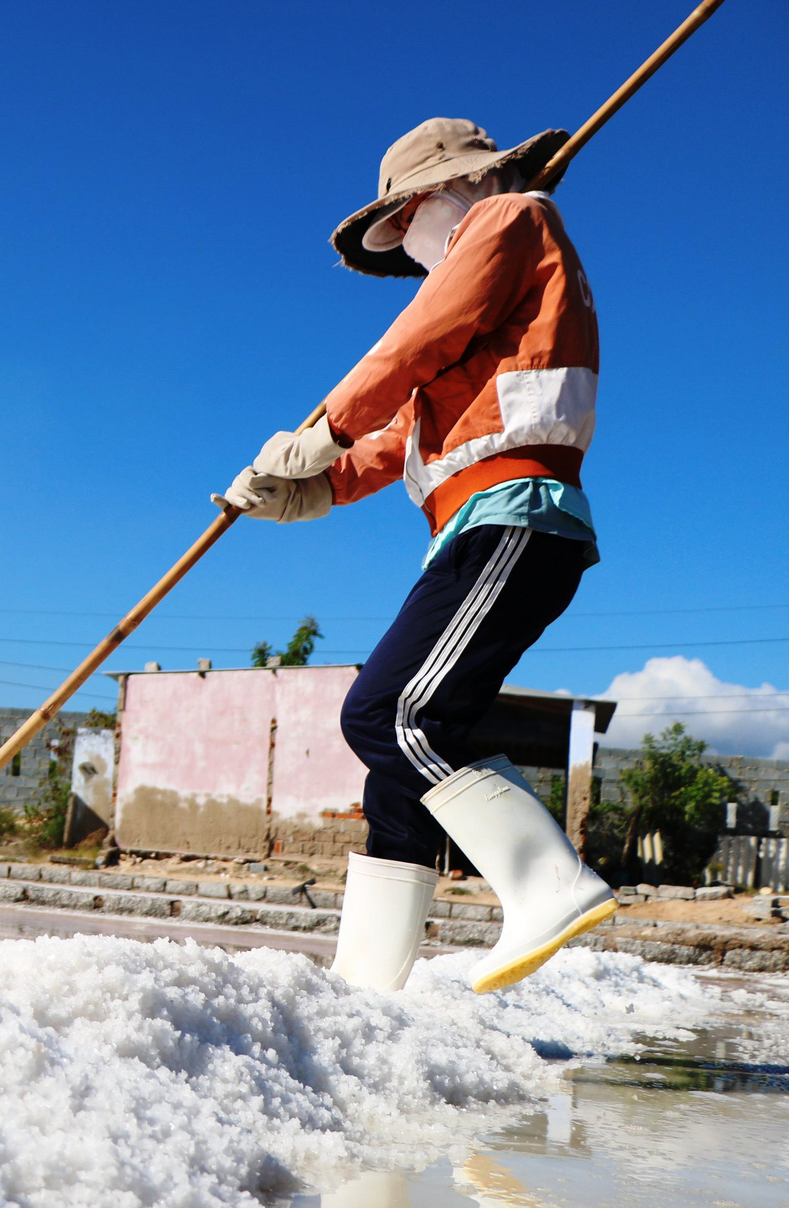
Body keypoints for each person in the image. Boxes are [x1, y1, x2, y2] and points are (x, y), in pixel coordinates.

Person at [218, 118, 615, 994]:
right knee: (398, 764)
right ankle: (371, 986)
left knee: (389, 717)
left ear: (456, 189)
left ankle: (549, 882)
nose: (410, 244)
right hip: (474, 527)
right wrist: (308, 485)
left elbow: (416, 338)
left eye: (411, 218)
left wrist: (321, 427)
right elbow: (397, 430)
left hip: (517, 514)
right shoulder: (478, 302)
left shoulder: (512, 218)